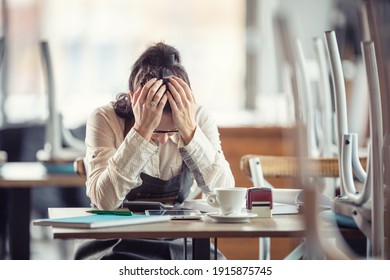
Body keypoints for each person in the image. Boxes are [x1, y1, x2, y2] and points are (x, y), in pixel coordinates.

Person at [74, 42, 235, 260]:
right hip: (114, 237)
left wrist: (189, 131)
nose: (164, 139)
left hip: (177, 235)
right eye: (156, 130)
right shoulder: (104, 118)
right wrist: (141, 133)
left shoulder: (198, 118)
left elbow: (224, 191)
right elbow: (105, 201)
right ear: (134, 99)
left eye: (172, 130)